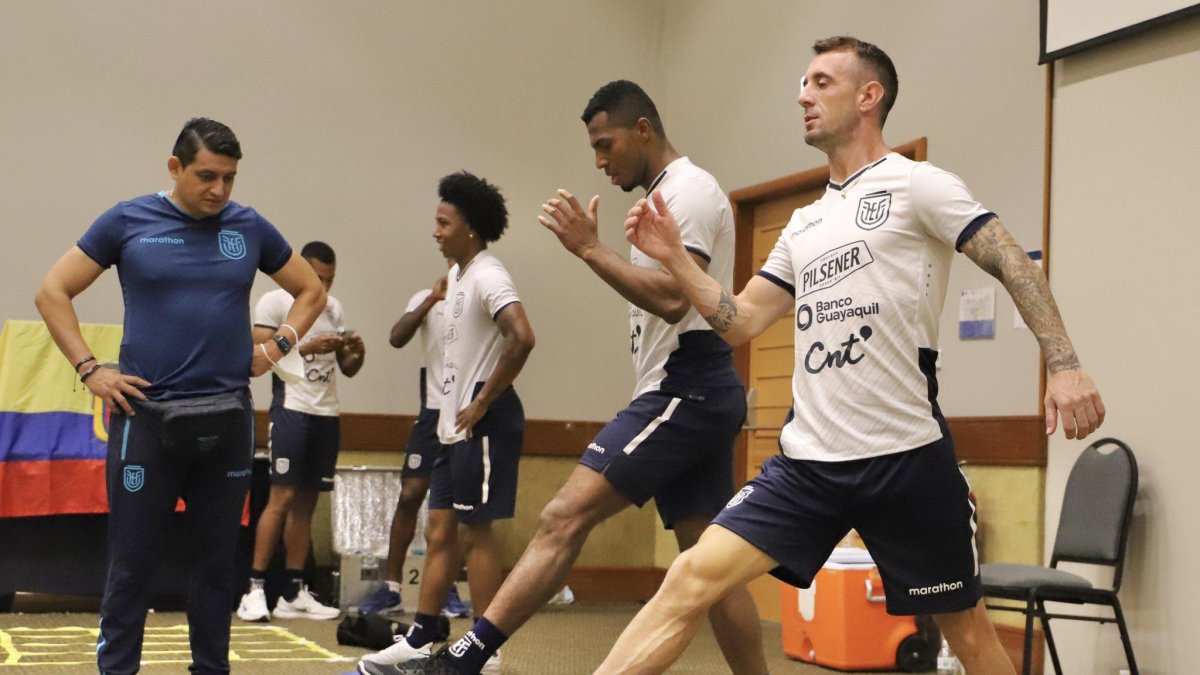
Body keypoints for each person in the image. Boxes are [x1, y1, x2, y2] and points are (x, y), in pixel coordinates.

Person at [592, 37, 1106, 675]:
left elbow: (1008, 258)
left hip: (906, 460)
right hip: (808, 465)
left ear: (870, 96)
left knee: (969, 636)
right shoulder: (803, 225)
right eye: (803, 85)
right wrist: (673, 258)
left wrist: (1063, 364)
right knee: (689, 579)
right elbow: (739, 320)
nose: (802, 95)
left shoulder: (918, 185)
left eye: (821, 82)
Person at [382, 80, 768, 675]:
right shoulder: (663, 197)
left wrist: (590, 249)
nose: (600, 161)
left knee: (564, 515)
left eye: (605, 143)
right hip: (694, 386)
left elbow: (670, 299)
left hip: (686, 385)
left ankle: (463, 660)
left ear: (643, 129)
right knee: (706, 565)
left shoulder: (687, 191)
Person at [34, 118, 326, 675]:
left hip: (226, 422)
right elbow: (53, 291)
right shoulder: (128, 220)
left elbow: (309, 289)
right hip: (145, 422)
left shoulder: (249, 227)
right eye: (206, 176)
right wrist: (91, 369)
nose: (219, 190)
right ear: (175, 168)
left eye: (230, 179)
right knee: (132, 565)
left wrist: (277, 347)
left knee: (217, 566)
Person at [358, 171, 535, 675]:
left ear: (471, 228)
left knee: (476, 535)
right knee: (440, 530)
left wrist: (482, 401)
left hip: (484, 422)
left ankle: (487, 649)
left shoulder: (488, 274)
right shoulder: (456, 276)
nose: (435, 232)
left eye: (443, 223)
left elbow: (522, 336)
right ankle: (421, 637)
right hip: (450, 426)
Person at [236, 241, 365, 622]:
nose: (323, 289)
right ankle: (254, 589)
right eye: (317, 279)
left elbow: (349, 367)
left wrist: (353, 350)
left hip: (327, 411)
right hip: (292, 408)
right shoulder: (275, 302)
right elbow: (257, 347)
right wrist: (307, 345)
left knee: (308, 502)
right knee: (282, 497)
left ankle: (293, 592)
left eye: (330, 280)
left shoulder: (334, 307)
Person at [355, 269, 468, 620]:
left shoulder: (481, 298)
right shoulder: (425, 298)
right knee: (410, 494)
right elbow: (396, 337)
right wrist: (433, 298)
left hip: (463, 413)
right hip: (431, 412)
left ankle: (446, 588)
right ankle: (391, 589)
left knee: (450, 506)